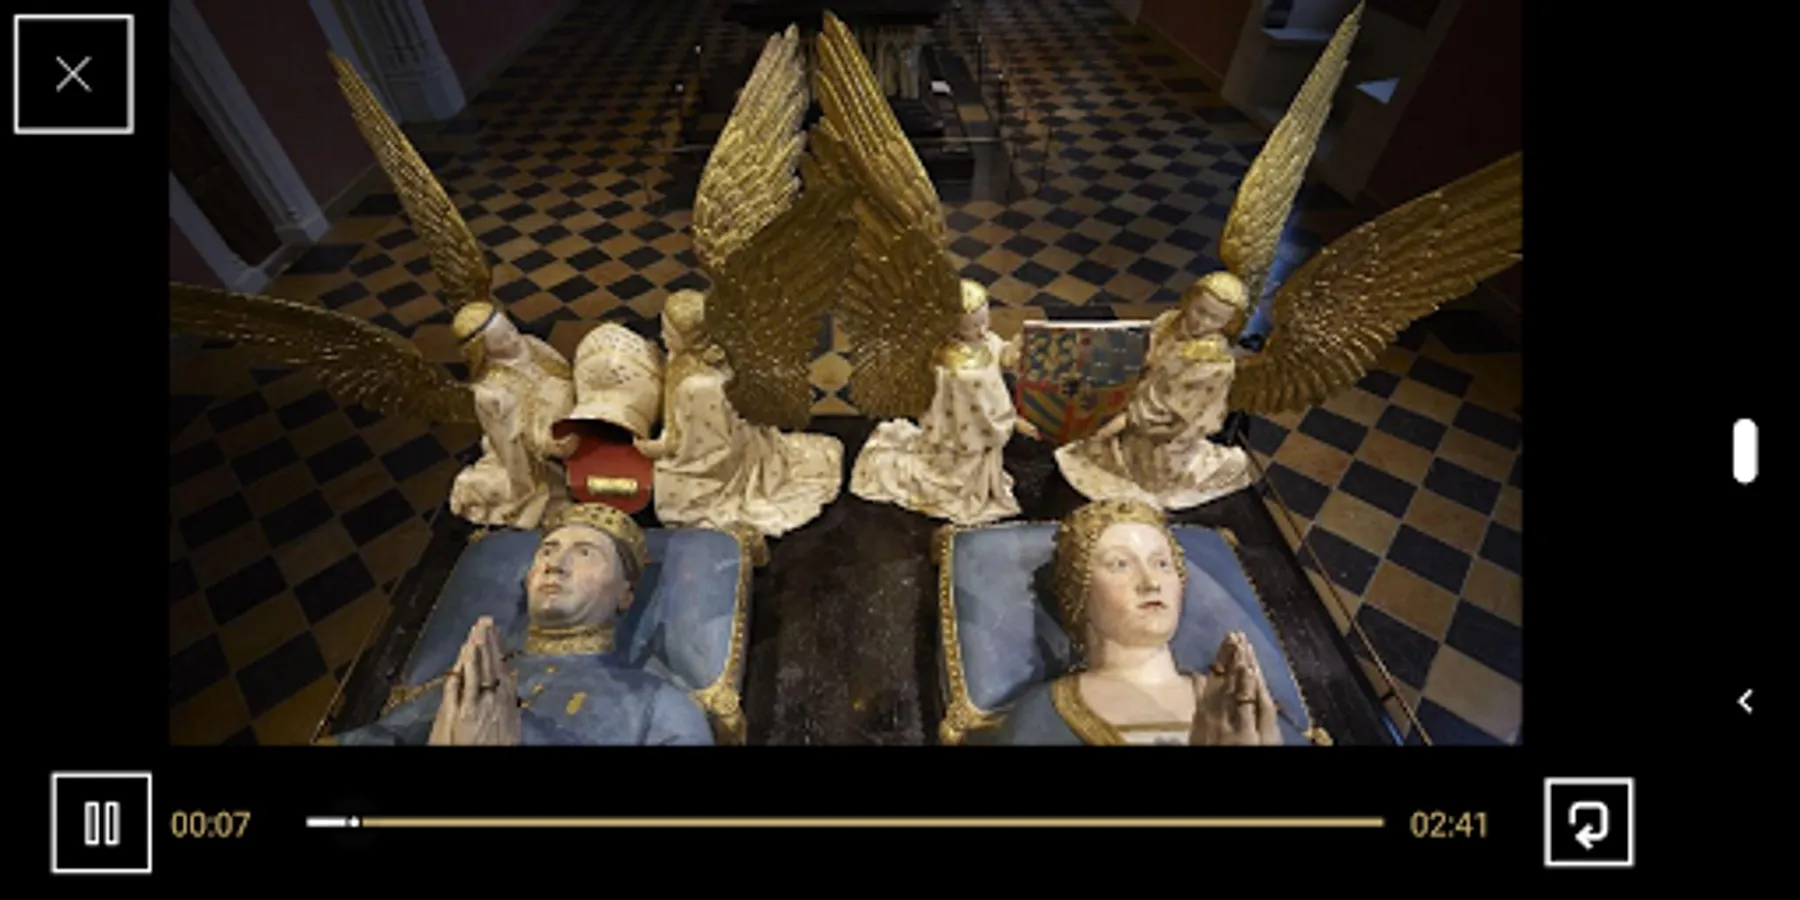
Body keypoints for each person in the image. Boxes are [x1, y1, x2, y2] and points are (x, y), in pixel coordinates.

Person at [322, 503, 715, 745]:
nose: (555, 565)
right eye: (547, 551)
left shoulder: (658, 704)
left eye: (584, 553)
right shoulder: (476, 681)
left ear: (625, 594)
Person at [988, 499, 1283, 745]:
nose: (1151, 582)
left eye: (1162, 564)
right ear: (1079, 591)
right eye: (1120, 565)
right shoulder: (1045, 717)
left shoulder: (1238, 704)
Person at [635, 290, 843, 538]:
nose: (662, 337)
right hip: (718, 440)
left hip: (723, 461)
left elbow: (711, 451)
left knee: (675, 499)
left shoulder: (700, 387)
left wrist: (665, 449)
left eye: (669, 334)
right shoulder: (685, 359)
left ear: (693, 339)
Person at [1053, 273, 1254, 511]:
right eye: (1200, 310)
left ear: (1229, 323)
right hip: (1132, 404)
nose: (1202, 322)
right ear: (1189, 299)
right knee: (1089, 444)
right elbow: (1141, 353)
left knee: (1147, 478)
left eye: (1215, 319)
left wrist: (1124, 420)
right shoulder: (1169, 322)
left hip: (1165, 430)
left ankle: (1226, 464)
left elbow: (1173, 411)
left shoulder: (1215, 364)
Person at [849, 280, 1028, 525]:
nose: (983, 330)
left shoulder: (983, 341)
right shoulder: (954, 369)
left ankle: (983, 483)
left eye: (985, 321)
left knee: (979, 461)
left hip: (982, 433)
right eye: (974, 326)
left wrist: (1014, 350)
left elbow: (997, 352)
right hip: (964, 434)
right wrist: (1011, 421)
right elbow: (978, 412)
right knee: (956, 475)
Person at [448, 301, 580, 529]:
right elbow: (510, 444)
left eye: (511, 329)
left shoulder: (530, 344)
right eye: (501, 340)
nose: (513, 339)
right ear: (483, 350)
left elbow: (563, 371)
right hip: (536, 440)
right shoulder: (489, 393)